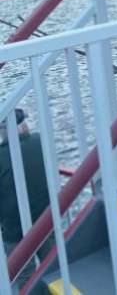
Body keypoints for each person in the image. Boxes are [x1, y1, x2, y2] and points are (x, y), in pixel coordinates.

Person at [1, 109, 51, 294]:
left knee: (25, 279)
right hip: (45, 220)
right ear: (23, 125)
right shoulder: (39, 141)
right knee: (53, 267)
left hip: (15, 231)